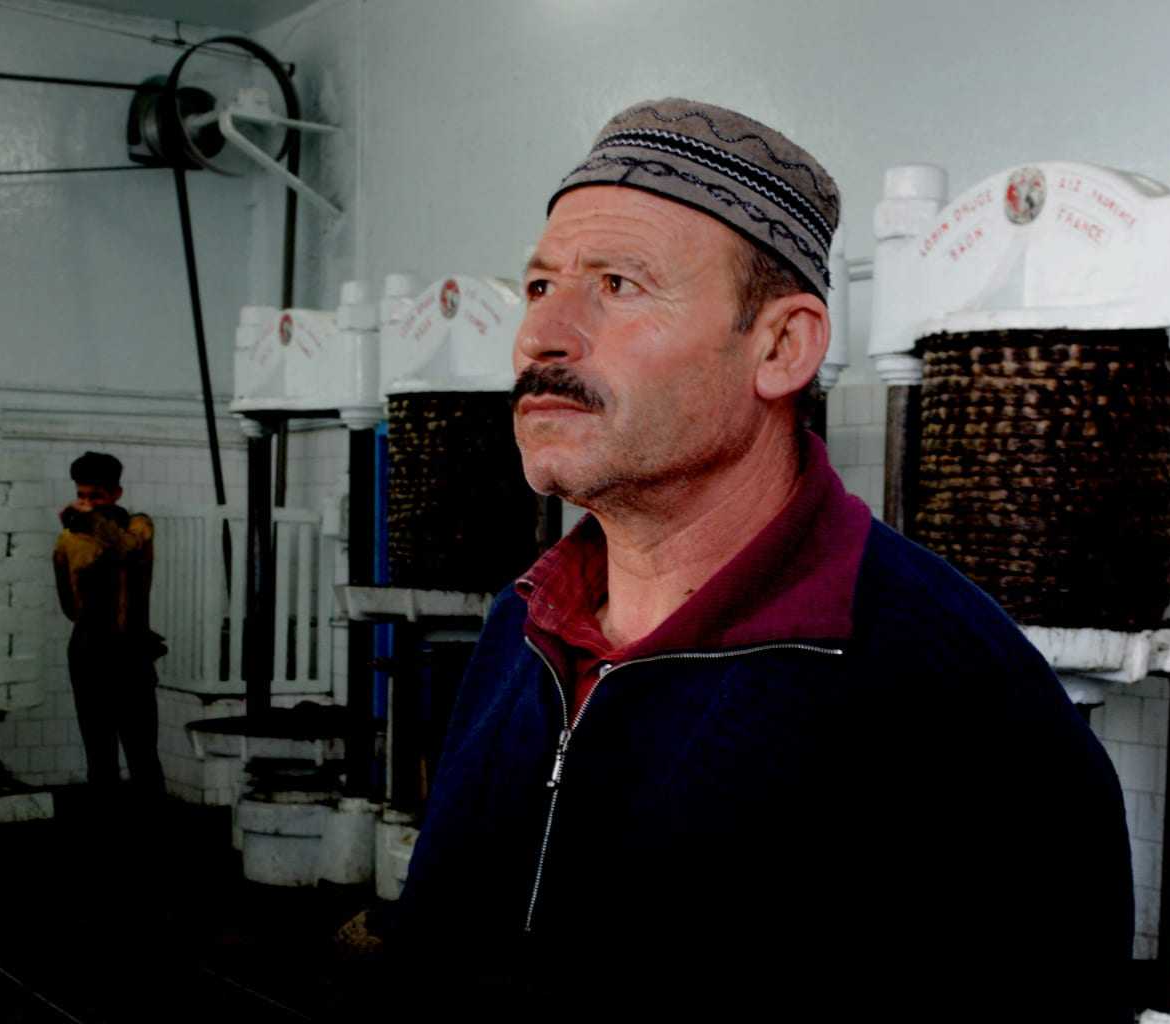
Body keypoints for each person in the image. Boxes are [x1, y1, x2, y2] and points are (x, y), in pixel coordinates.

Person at [393, 100, 1132, 1019]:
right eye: (541, 286)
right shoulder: (522, 628)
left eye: (619, 284)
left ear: (781, 347)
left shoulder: (956, 697)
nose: (544, 335)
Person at [53, 451, 165, 801]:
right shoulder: (69, 541)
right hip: (90, 650)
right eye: (81, 496)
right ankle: (106, 834)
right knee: (99, 754)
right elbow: (70, 604)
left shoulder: (139, 526)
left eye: (95, 497)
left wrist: (92, 527)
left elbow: (128, 549)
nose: (86, 505)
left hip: (131, 652)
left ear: (116, 493)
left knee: (142, 749)